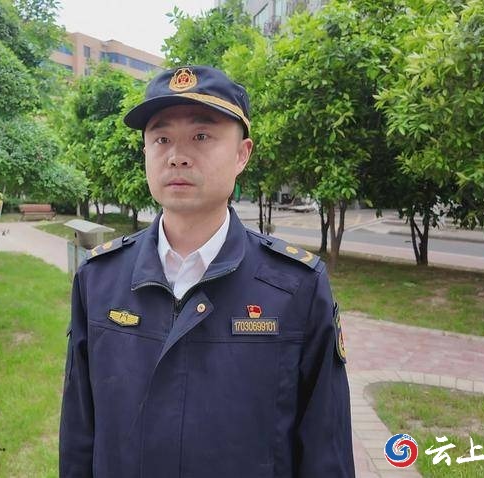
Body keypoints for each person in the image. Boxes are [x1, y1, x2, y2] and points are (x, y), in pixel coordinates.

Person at [60, 65, 354, 477]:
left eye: (201, 136)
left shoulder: (295, 287)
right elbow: (79, 435)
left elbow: (326, 448)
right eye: (161, 139)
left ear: (242, 154)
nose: (177, 156)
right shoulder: (99, 279)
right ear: (145, 152)